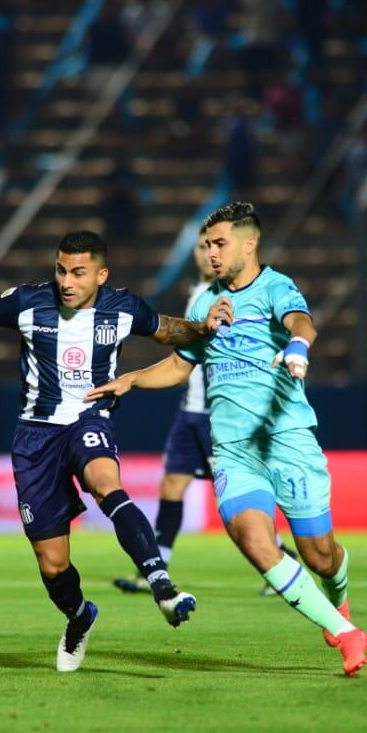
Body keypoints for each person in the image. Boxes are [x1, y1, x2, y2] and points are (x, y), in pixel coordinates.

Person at [0, 231, 233, 673]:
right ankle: (79, 616)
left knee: (107, 486)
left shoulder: (123, 309)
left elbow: (169, 332)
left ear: (101, 275)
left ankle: (161, 585)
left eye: (79, 273)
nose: (67, 281)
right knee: (52, 563)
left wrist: (203, 327)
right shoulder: (27, 302)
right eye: (61, 270)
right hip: (35, 437)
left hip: (89, 419)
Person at [86, 203, 367, 677]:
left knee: (321, 556)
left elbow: (302, 323)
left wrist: (298, 346)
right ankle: (347, 635)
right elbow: (181, 365)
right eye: (207, 245)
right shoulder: (204, 304)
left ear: (249, 243)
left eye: (220, 244)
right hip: (235, 453)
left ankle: (338, 603)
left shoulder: (275, 289)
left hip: (287, 441)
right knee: (253, 540)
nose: (212, 254)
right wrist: (133, 378)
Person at [113, 237, 299, 595]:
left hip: (218, 414)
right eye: (200, 248)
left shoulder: (230, 295)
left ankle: (280, 560)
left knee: (238, 497)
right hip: (190, 411)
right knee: (171, 484)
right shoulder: (198, 293)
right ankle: (157, 565)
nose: (204, 253)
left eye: (210, 246)